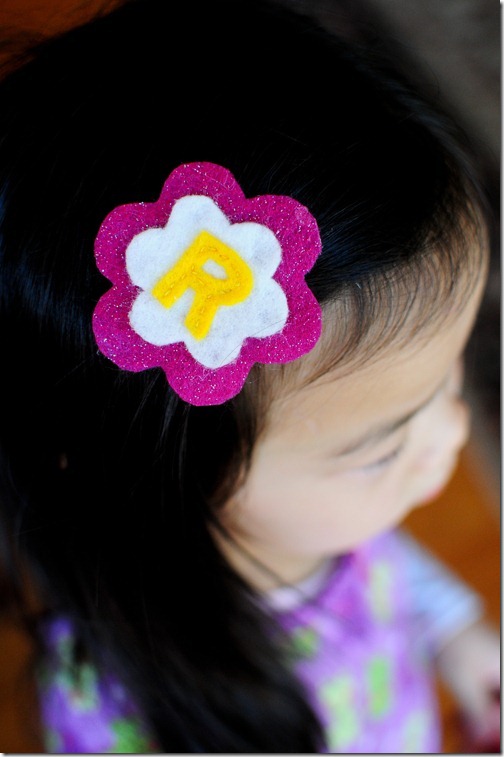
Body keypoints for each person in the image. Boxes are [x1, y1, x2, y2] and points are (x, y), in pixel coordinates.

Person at [0, 0, 499, 752]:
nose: (454, 435)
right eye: (381, 448)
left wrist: (454, 631)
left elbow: (382, 566)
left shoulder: (335, 525)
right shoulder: (111, 707)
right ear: (161, 476)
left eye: (449, 382)